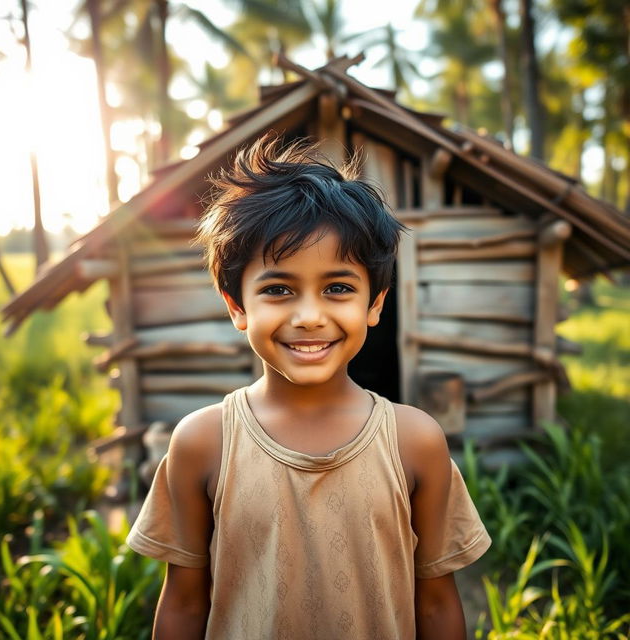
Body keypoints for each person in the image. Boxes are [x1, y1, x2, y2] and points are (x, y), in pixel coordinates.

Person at [127, 135, 491, 639]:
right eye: (278, 289)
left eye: (338, 288)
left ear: (375, 304)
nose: (310, 317)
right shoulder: (203, 442)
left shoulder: (414, 441)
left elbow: (435, 605)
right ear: (237, 306)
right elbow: (186, 604)